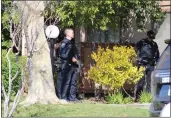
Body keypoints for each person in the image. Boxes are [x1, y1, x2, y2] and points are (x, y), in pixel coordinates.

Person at [135, 30, 159, 99]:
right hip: (142, 64)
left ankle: (148, 97)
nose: (151, 39)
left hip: (151, 64)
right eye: (150, 37)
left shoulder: (154, 44)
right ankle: (138, 97)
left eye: (152, 38)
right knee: (141, 81)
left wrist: (156, 62)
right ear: (147, 36)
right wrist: (138, 58)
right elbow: (135, 49)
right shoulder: (142, 42)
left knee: (149, 81)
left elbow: (157, 54)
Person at [56, 28, 78, 101]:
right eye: (72, 33)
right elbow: (62, 55)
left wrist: (75, 57)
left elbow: (75, 53)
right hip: (66, 65)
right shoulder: (64, 43)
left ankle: (72, 97)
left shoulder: (72, 43)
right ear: (68, 34)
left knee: (73, 82)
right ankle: (63, 97)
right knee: (66, 82)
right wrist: (71, 58)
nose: (73, 34)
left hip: (73, 65)